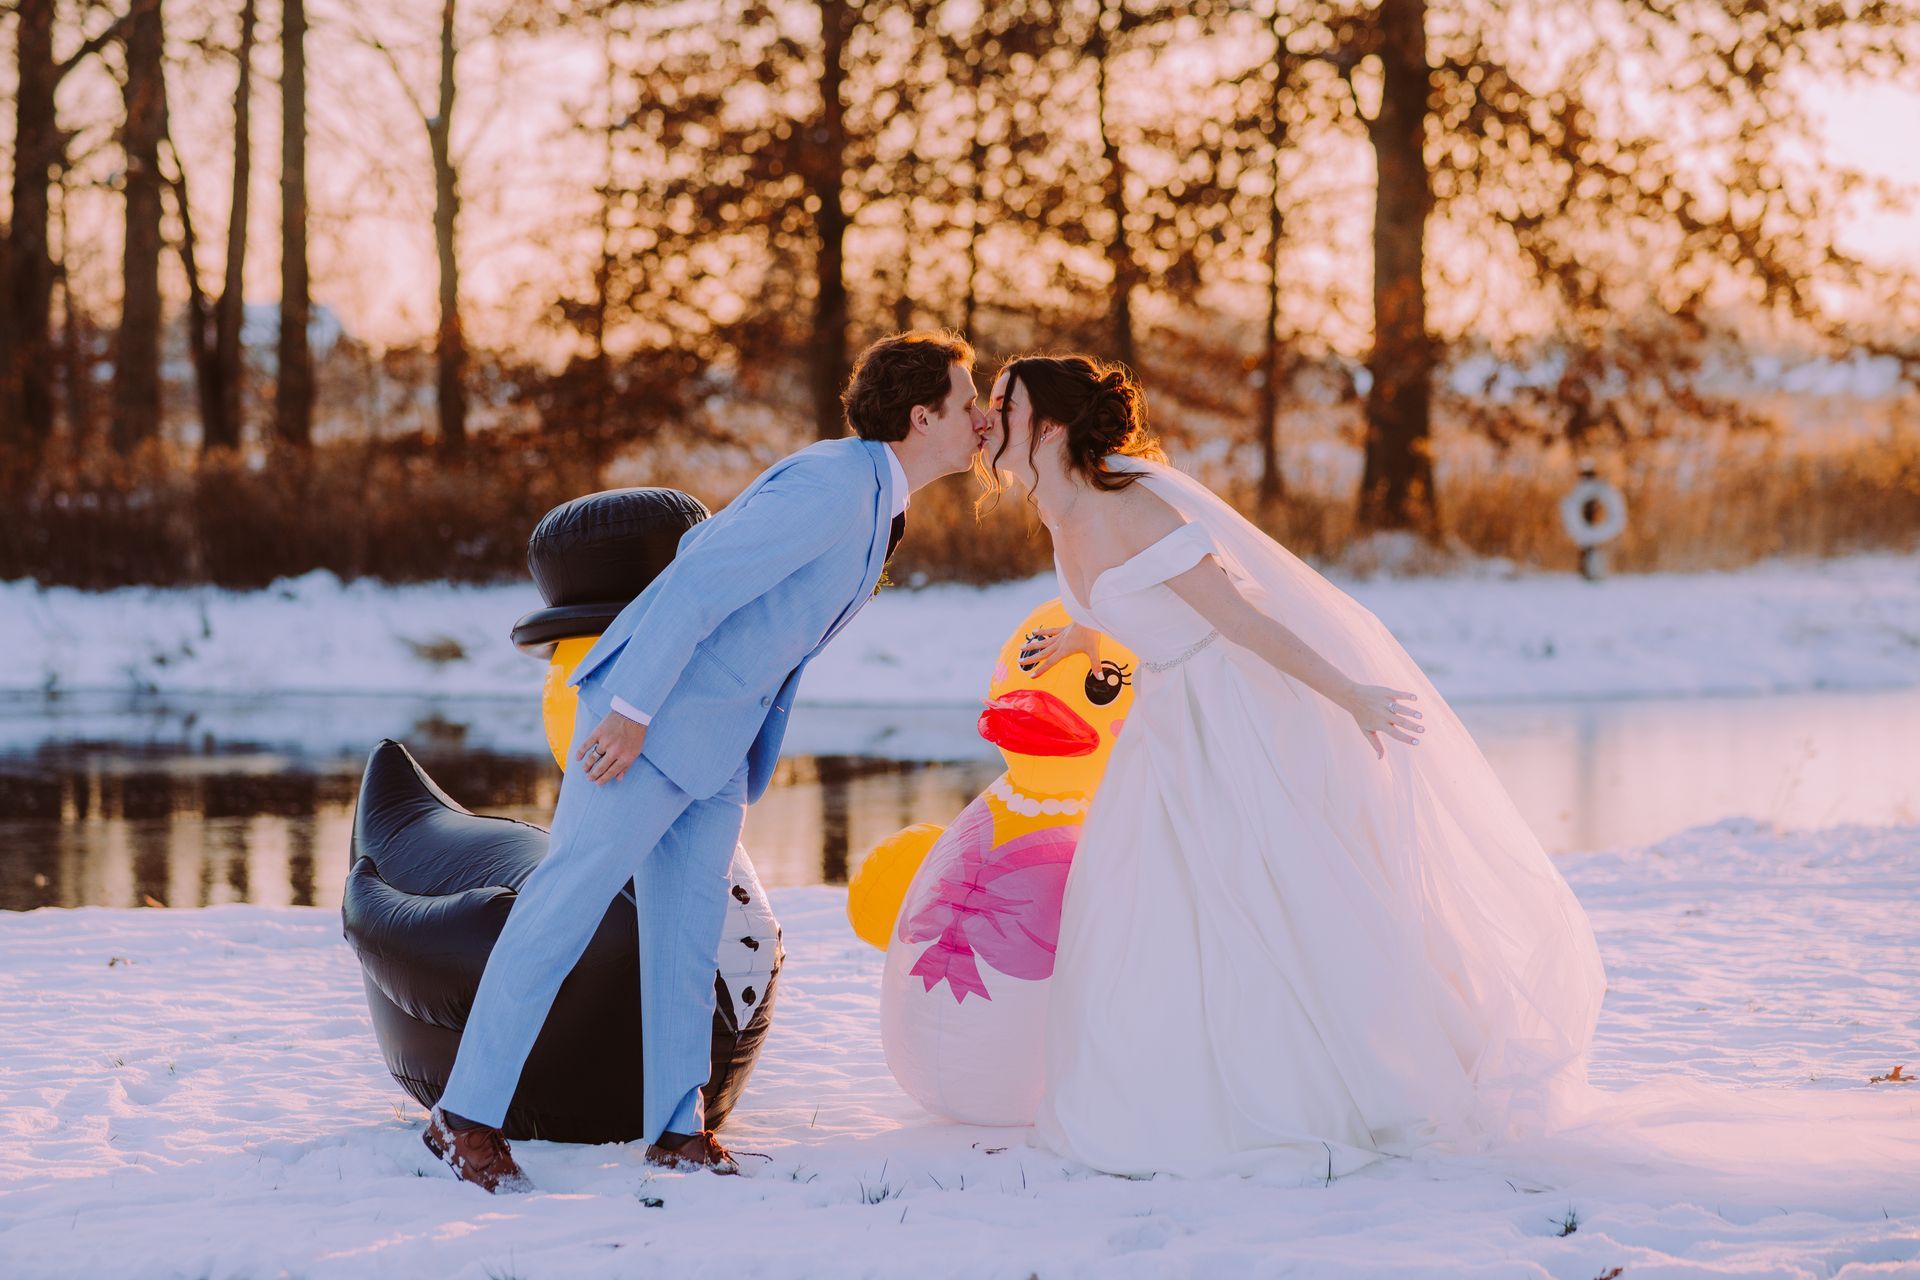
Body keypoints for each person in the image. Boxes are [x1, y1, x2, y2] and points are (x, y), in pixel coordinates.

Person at [986, 354, 1608, 1182]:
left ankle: (1349, 1090)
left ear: (1050, 427)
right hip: (1165, 722)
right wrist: (1087, 635)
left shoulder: (1136, 509)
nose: (990, 413)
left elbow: (1243, 622)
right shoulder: (1055, 507)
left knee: (1263, 897)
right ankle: (1165, 1093)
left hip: (1230, 714)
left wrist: (1350, 694)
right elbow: (1137, 606)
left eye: (1005, 401)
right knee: (1148, 904)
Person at [423, 331, 991, 1192]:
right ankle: (461, 1118)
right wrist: (629, 712)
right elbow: (698, 578)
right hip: (651, 722)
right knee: (563, 906)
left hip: (717, 738)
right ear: (923, 416)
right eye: (969, 398)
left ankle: (676, 1130)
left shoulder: (883, 502)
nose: (980, 415)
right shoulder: (837, 485)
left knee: (689, 933)